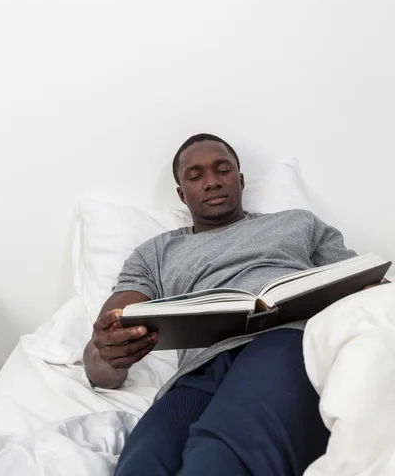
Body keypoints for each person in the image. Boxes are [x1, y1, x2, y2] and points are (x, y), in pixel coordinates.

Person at [83, 133, 358, 476]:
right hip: (198, 371)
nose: (212, 182)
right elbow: (107, 340)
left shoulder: (299, 223)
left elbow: (365, 289)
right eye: (195, 176)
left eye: (223, 169)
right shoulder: (153, 253)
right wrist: (107, 351)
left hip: (286, 341)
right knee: (143, 462)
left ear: (240, 180)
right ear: (182, 194)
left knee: (219, 456)